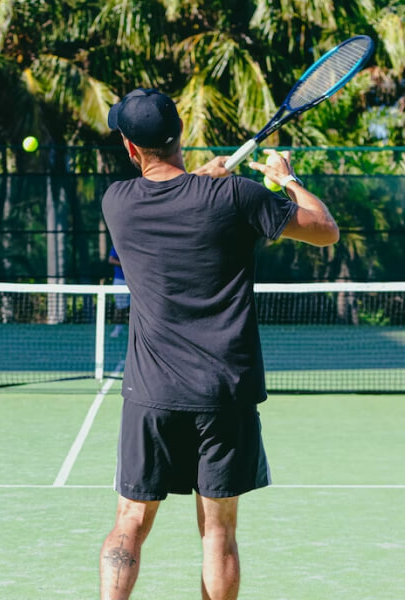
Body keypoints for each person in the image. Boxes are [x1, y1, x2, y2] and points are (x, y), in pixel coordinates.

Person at [99, 88, 339, 600]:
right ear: (180, 133)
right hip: (224, 393)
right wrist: (286, 179)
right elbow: (325, 230)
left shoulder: (117, 202)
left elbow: (175, 194)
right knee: (218, 532)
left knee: (129, 521)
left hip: (151, 394)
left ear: (130, 148)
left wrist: (202, 180)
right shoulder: (237, 197)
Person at [108, 246, 130, 337]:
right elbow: (111, 259)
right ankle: (118, 329)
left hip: (135, 281)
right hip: (120, 280)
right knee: (120, 306)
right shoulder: (117, 244)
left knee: (136, 306)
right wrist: (125, 265)